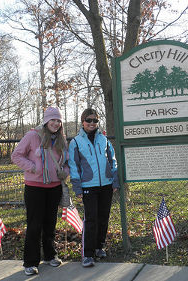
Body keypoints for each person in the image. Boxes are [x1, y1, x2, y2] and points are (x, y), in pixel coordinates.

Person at [11, 106, 69, 276]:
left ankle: (50, 255)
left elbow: (67, 162)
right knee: (34, 225)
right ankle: (30, 261)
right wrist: (33, 167)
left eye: (59, 120)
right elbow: (16, 155)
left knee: (50, 223)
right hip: (35, 188)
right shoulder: (32, 136)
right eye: (53, 120)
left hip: (54, 187)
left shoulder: (61, 139)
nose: (56, 123)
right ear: (46, 121)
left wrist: (64, 173)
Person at [68, 108, 120, 268]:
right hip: (88, 186)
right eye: (88, 120)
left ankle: (99, 247)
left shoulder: (104, 140)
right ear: (83, 122)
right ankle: (88, 254)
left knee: (104, 217)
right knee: (91, 219)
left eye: (95, 120)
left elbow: (113, 160)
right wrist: (77, 188)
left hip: (106, 185)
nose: (92, 123)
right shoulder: (76, 142)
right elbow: (74, 166)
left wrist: (115, 180)